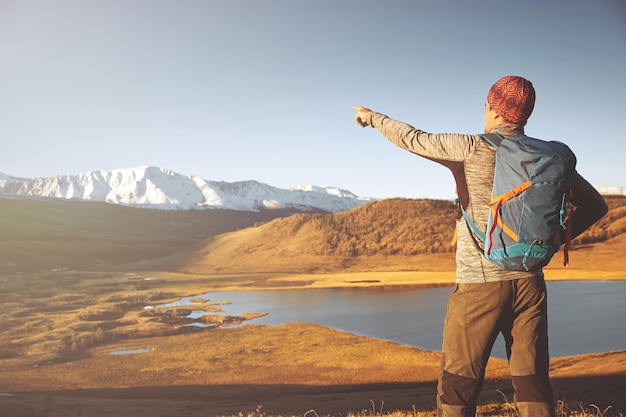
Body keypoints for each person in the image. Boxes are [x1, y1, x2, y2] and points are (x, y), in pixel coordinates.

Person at [352, 75, 608, 417]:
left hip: (479, 285)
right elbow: (595, 206)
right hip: (530, 283)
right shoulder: (551, 158)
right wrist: (550, 240)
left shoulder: (473, 146)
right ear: (525, 115)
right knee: (533, 382)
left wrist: (372, 117)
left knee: (459, 385)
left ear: (492, 108)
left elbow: (412, 138)